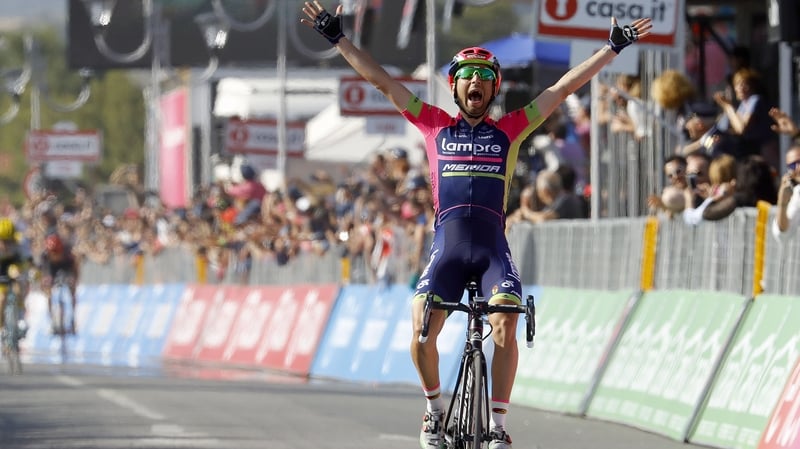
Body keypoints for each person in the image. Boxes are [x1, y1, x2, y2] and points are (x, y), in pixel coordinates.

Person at [301, 3, 651, 448]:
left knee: (506, 319)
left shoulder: (510, 129)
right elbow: (382, 81)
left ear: (494, 90)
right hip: (447, 248)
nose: (476, 84)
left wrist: (611, 48)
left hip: (491, 250)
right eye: (467, 77)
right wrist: (339, 39)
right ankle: (433, 411)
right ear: (454, 86)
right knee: (421, 329)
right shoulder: (432, 124)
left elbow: (562, 89)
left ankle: (499, 424)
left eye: (485, 80)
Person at [38, 233, 80, 335]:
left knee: (72, 290)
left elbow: (75, 270)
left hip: (66, 269)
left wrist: (74, 282)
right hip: (52, 271)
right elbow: (42, 274)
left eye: (57, 253)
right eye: (52, 253)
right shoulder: (45, 256)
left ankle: (72, 319)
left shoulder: (68, 256)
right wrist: (45, 285)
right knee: (48, 293)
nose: (55, 255)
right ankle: (52, 320)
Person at [0, 217, 28, 339]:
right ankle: (1, 327)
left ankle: (20, 316)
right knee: (1, 298)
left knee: (18, 281)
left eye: (8, 241)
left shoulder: (19, 242)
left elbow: (26, 259)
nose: (5, 245)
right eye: (2, 241)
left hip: (12, 266)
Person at [772, 143, 800, 242]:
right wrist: (782, 201)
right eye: (792, 165)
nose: (798, 167)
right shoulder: (797, 194)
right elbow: (783, 234)